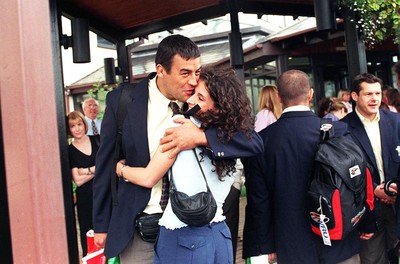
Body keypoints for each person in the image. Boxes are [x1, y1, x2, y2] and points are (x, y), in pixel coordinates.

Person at [92, 34, 263, 263]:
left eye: (197, 72)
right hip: (140, 224)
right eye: (185, 73)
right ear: (161, 70)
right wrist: (101, 225)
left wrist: (200, 137)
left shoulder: (200, 101)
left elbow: (251, 141)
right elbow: (105, 164)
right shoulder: (122, 100)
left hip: (191, 228)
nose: (193, 81)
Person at [242, 70, 375, 264]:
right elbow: (360, 180)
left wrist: (264, 245)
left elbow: (258, 201)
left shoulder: (262, 142)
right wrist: (366, 223)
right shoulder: (338, 131)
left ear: (279, 97)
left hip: (292, 246)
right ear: (311, 94)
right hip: (340, 239)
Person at [342, 73, 400, 264]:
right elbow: (344, 171)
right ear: (355, 96)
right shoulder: (343, 128)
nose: (374, 99)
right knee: (373, 260)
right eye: (368, 94)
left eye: (377, 93)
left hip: (397, 204)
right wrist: (374, 189)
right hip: (367, 209)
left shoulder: (396, 121)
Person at [66, 111, 99, 256]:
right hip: (85, 200)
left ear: (84, 124)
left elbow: (108, 167)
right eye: (73, 126)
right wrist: (96, 169)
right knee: (89, 235)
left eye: (79, 124)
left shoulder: (98, 140)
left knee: (109, 233)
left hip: (104, 194)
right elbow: (78, 181)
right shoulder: (69, 151)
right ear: (69, 130)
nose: (77, 128)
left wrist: (85, 171)